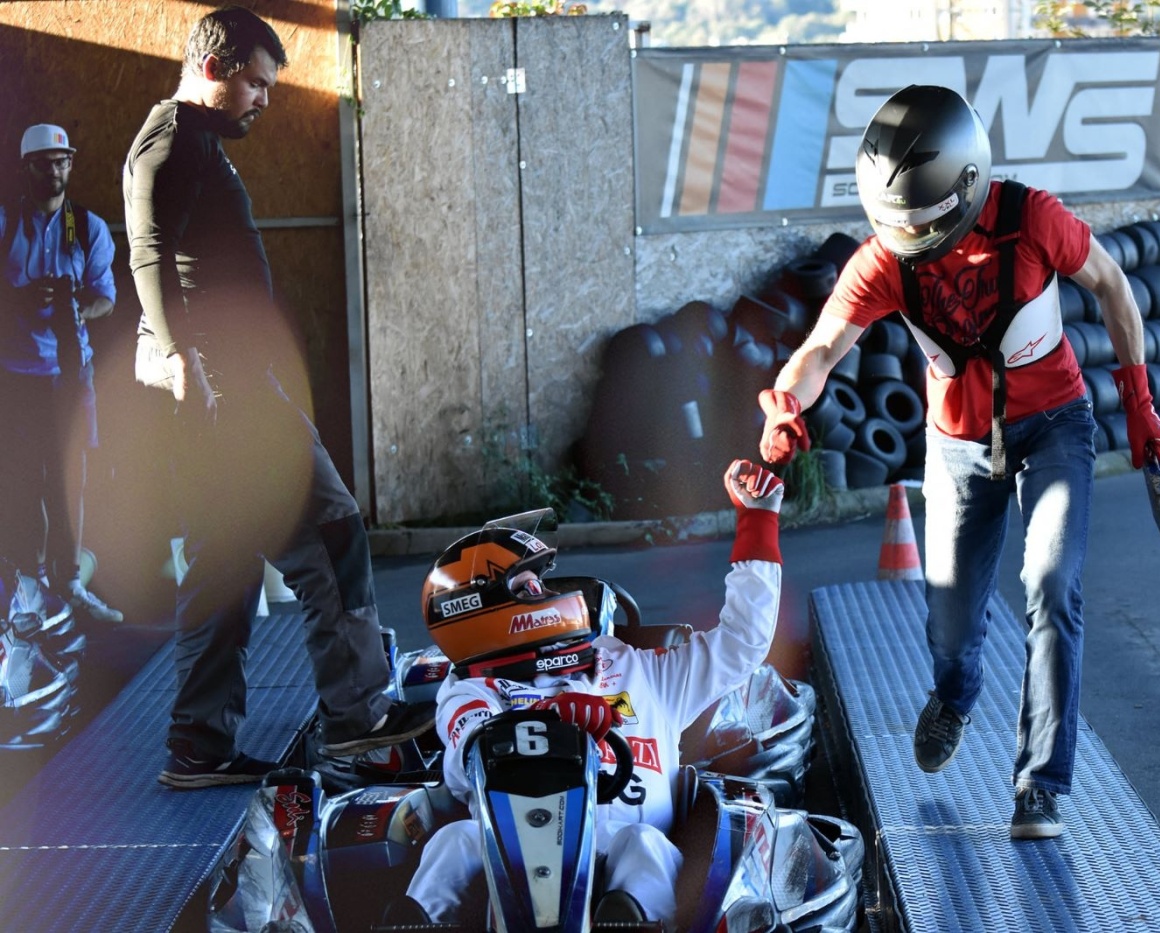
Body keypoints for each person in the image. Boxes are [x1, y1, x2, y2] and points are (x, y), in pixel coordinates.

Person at [757, 85, 1160, 840]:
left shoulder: (1032, 220)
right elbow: (822, 347)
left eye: (924, 221)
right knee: (950, 629)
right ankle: (955, 693)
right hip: (957, 448)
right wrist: (786, 403)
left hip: (1054, 427)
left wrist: (1138, 401)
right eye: (899, 223)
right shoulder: (884, 260)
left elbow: (1112, 285)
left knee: (1053, 587)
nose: (912, 237)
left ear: (967, 185)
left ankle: (1040, 784)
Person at [122, 5, 432, 789]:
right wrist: (180, 356)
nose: (263, 99)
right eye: (257, 84)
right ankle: (358, 716)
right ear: (214, 68)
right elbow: (148, 251)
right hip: (222, 386)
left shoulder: (193, 141)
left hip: (223, 383)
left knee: (225, 566)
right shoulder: (171, 143)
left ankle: (199, 743)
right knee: (332, 532)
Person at [398, 459, 784, 927]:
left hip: (622, 854)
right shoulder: (470, 690)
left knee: (644, 845)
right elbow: (469, 752)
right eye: (528, 586)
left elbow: (743, 642)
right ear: (478, 610)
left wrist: (758, 521)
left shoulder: (642, 669)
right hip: (511, 871)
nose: (546, 591)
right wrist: (550, 719)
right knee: (453, 840)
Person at [0, 123, 123, 624]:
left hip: (71, 373)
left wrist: (76, 308)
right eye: (43, 163)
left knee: (70, 477)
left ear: (70, 164)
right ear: (25, 168)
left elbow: (106, 298)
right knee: (23, 477)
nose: (54, 171)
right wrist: (19, 299)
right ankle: (29, 589)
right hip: (16, 374)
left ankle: (69, 583)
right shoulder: (6, 224)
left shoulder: (87, 227)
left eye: (61, 161)